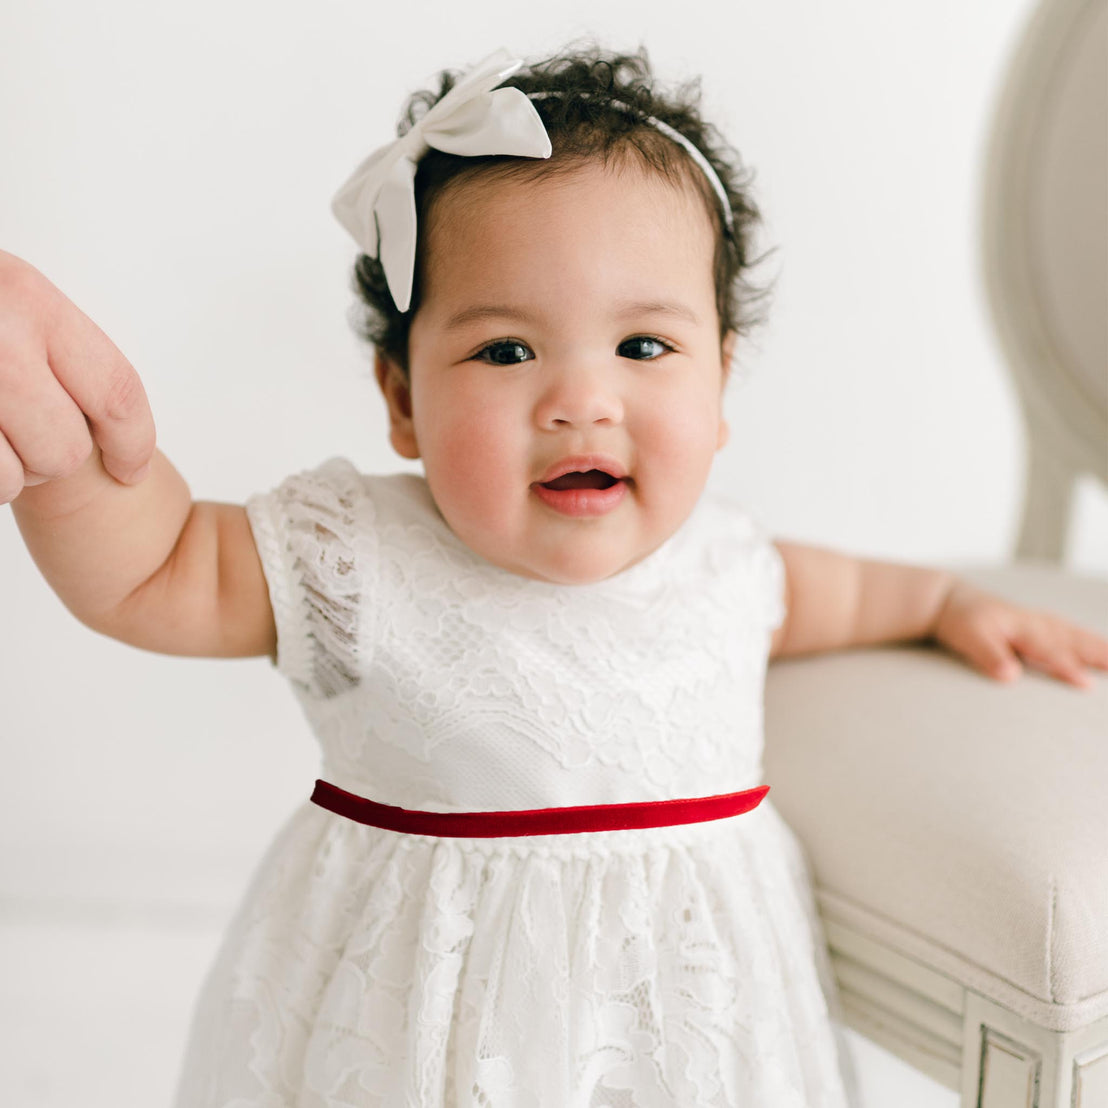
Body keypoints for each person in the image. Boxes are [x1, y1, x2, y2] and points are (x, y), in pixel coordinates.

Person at [3, 43, 1105, 1108]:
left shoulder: (724, 564)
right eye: (505, 351)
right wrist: (61, 465)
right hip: (424, 1042)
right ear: (400, 399)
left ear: (720, 381)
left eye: (641, 348)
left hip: (690, 1040)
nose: (580, 398)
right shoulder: (357, 556)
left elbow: (846, 595)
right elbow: (157, 565)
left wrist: (947, 602)